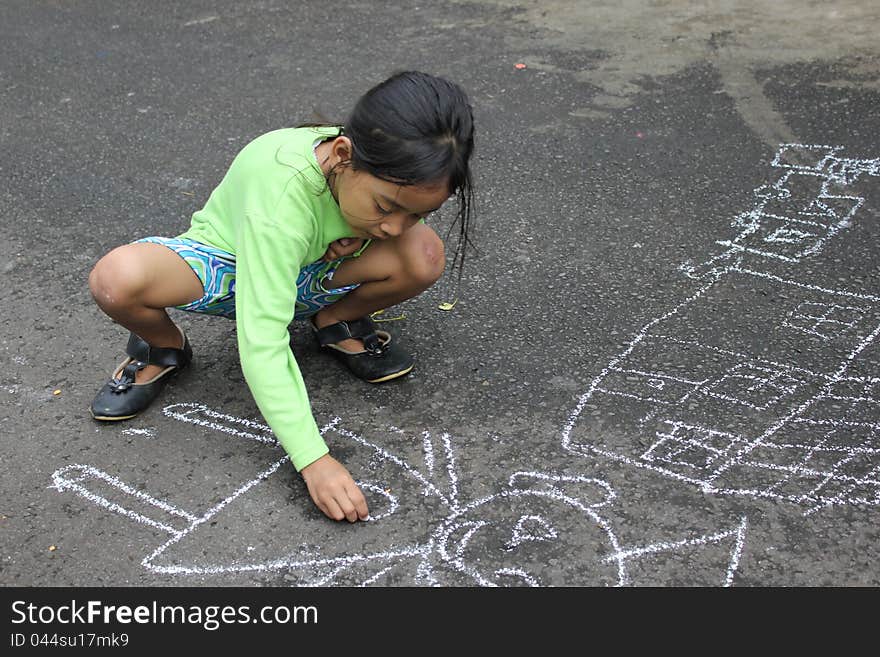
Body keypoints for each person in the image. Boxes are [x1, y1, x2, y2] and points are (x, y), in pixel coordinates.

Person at [87, 71, 475, 523]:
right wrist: (313, 460)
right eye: (386, 207)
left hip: (308, 273)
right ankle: (164, 347)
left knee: (423, 253)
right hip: (230, 271)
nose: (394, 226)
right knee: (117, 278)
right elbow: (263, 340)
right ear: (344, 155)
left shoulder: (376, 173)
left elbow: (390, 225)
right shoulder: (282, 192)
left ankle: (334, 321)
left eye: (419, 213)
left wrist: (359, 234)